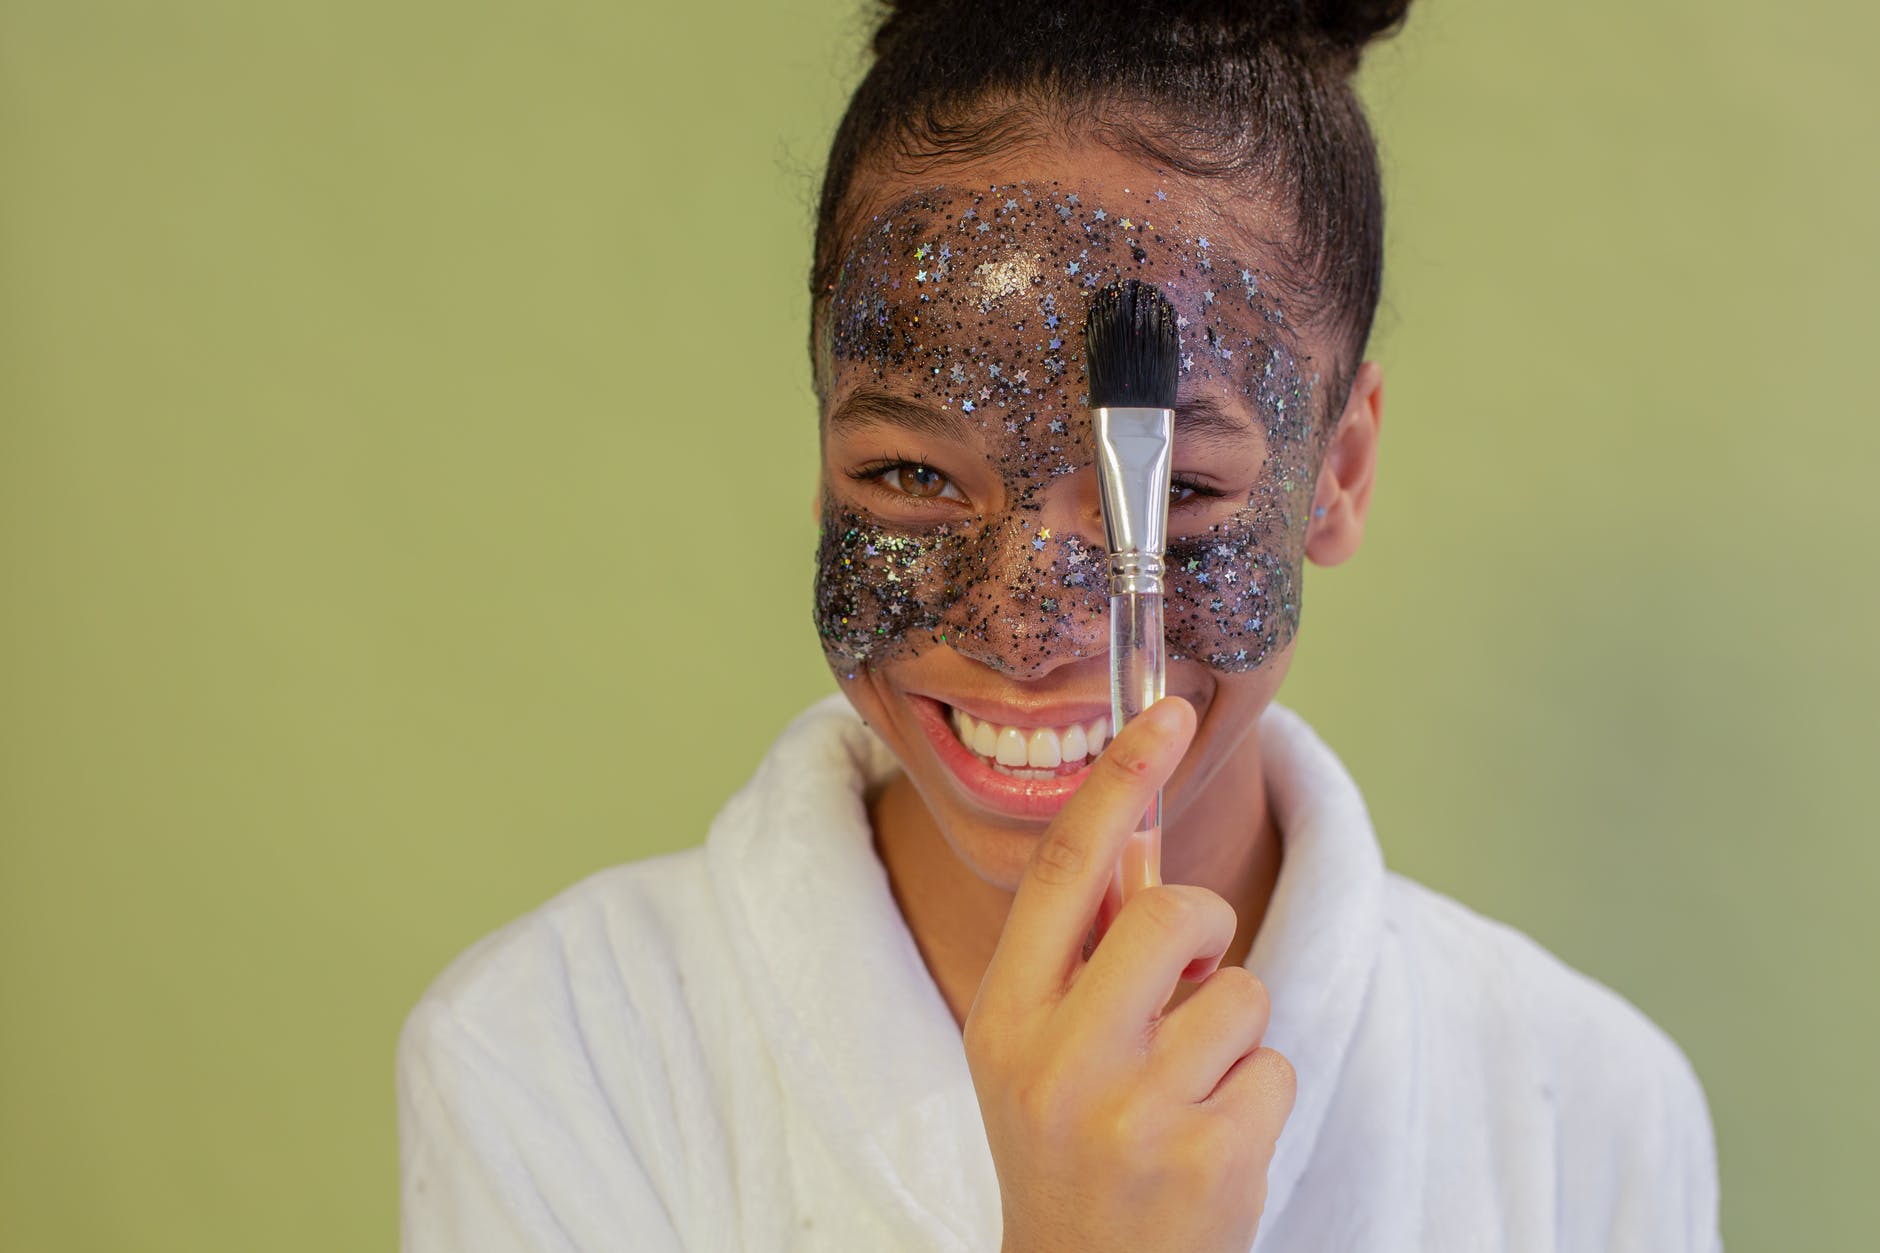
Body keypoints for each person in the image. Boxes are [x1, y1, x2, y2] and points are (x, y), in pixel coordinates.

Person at [396, 2, 1722, 1249]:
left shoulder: (1588, 1114)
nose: (1024, 626)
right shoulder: (550, 1054)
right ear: (818, 446)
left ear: (1340, 470)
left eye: (1177, 493)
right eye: (911, 475)